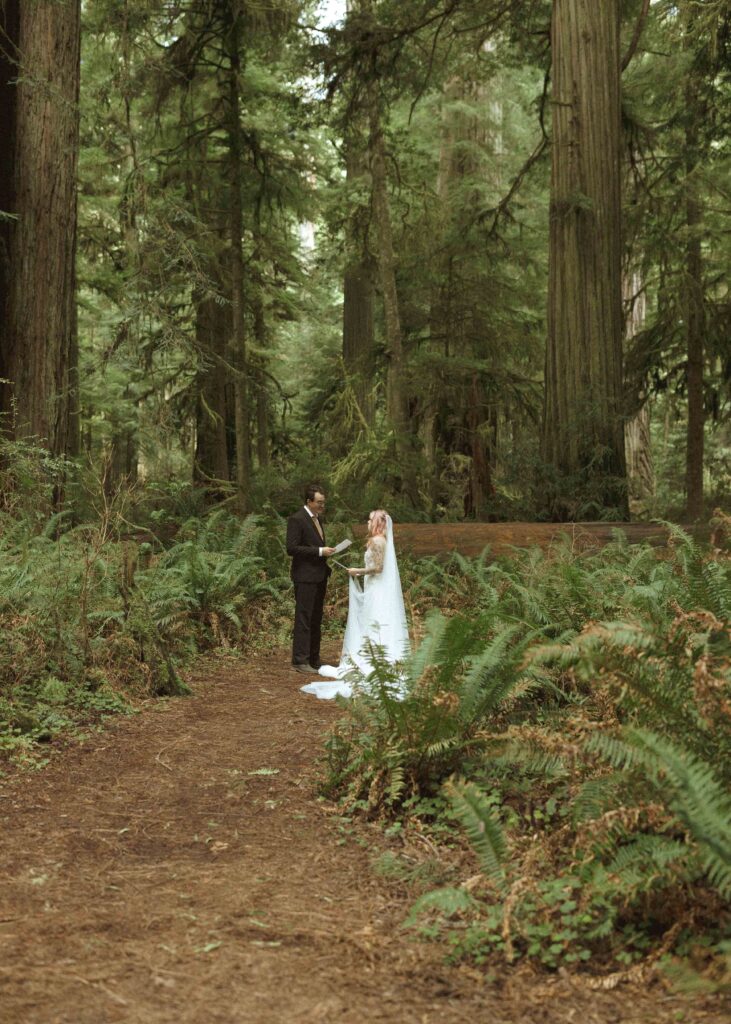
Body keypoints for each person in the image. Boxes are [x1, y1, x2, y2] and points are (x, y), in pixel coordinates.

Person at [301, 510, 410, 700]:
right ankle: (376, 658)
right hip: (374, 586)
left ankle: (377, 660)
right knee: (374, 622)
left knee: (376, 621)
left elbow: (378, 568)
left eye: (370, 520)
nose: (367, 522)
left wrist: (357, 571)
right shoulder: (379, 540)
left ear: (377, 523)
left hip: (377, 589)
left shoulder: (378, 541)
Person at [286, 484, 335, 673]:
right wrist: (320, 551)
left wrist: (325, 552)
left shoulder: (316, 519)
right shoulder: (297, 519)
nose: (323, 505)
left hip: (319, 576)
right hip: (305, 576)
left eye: (324, 502)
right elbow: (291, 548)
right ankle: (300, 661)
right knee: (304, 618)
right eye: (319, 502)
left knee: (316, 618)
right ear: (309, 501)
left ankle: (314, 659)